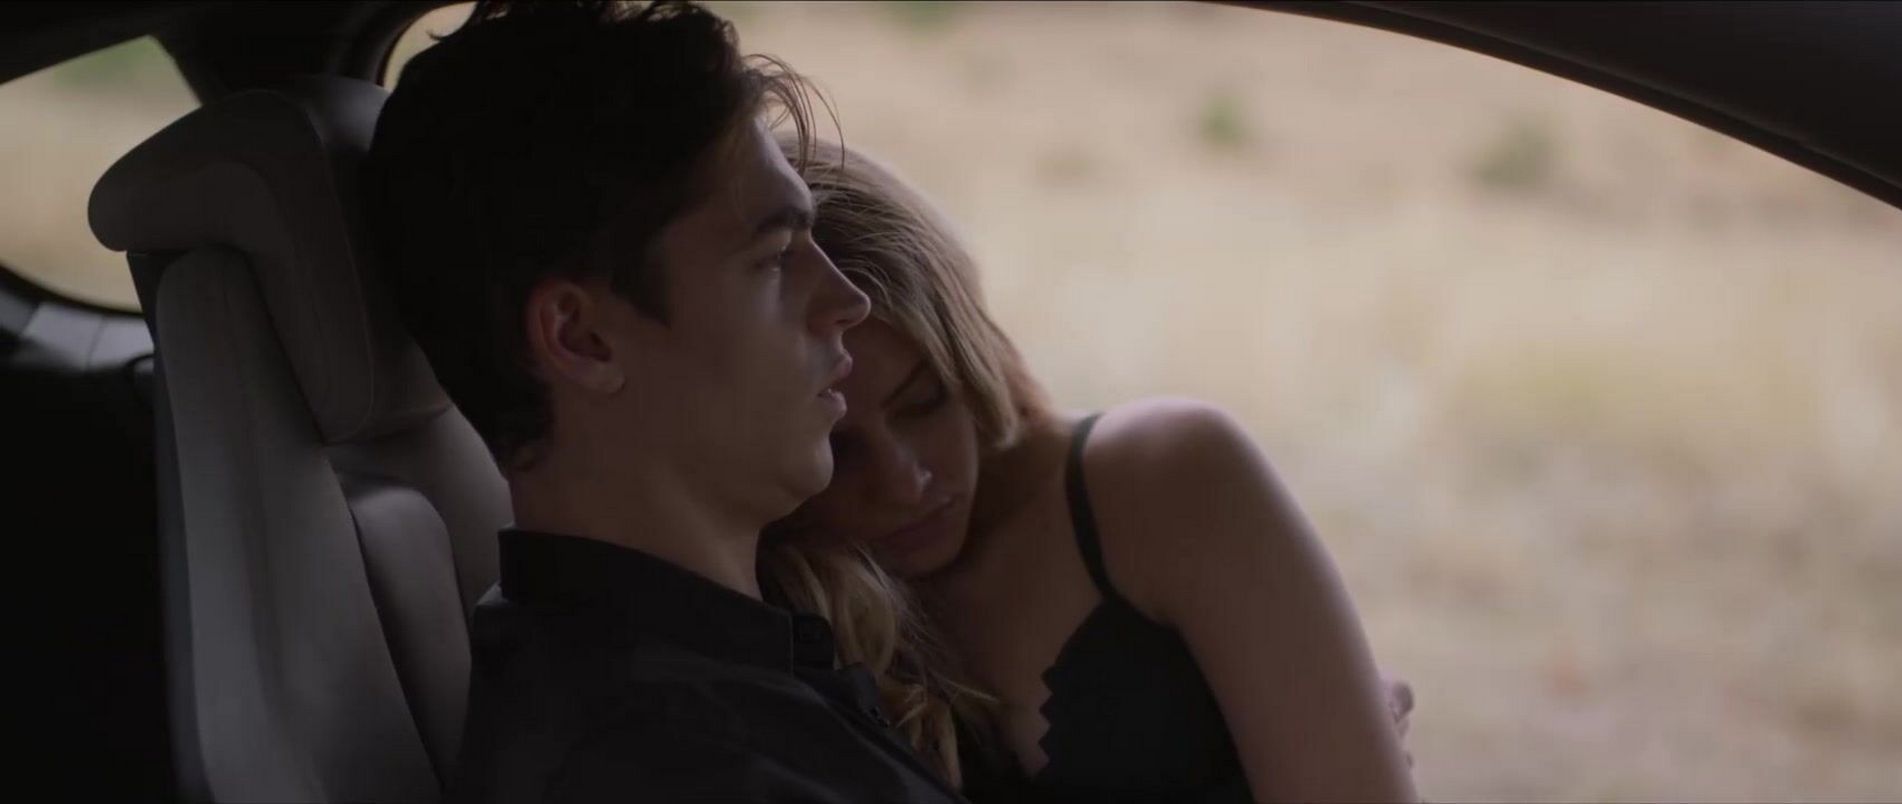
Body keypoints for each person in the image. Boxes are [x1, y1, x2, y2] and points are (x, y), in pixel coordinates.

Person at [365, 2, 963, 801]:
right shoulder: (679, 767)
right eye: (774, 258)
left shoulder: (714, 669)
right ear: (583, 339)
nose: (848, 301)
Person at [768, 138, 1422, 803]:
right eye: (840, 447)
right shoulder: (770, 603)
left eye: (925, 401)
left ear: (970, 356)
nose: (905, 480)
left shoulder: (1163, 480)